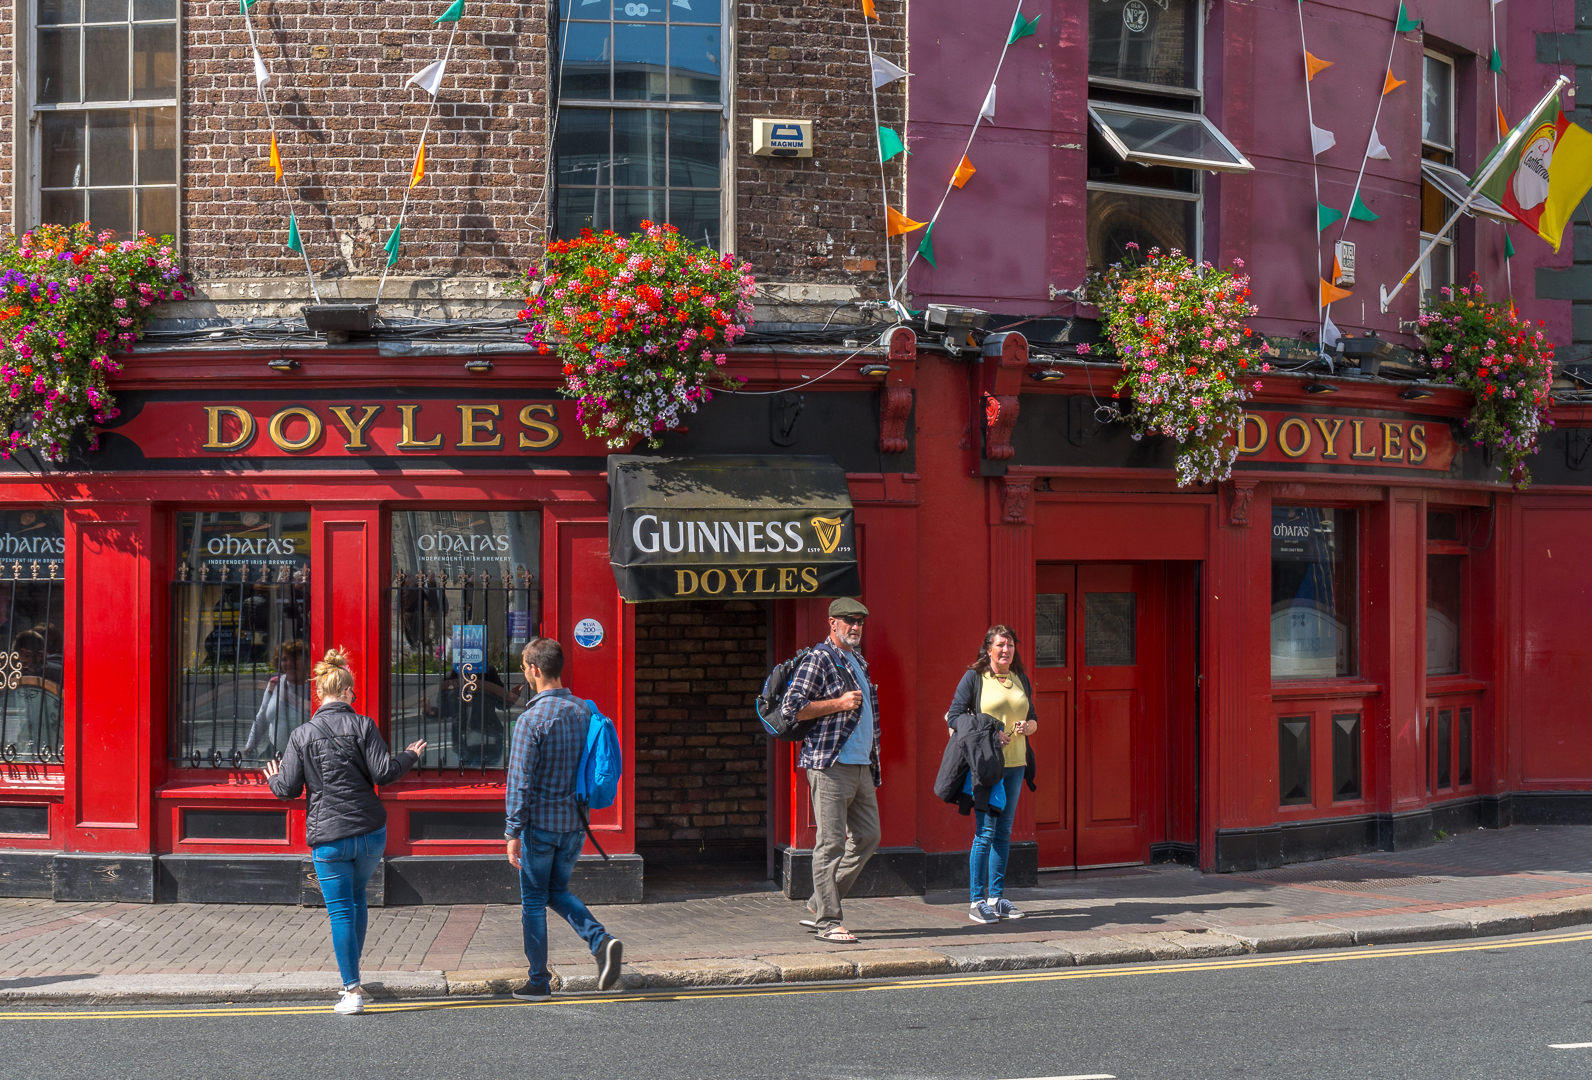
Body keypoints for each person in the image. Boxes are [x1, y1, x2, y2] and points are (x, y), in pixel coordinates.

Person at [264, 648, 425, 1015]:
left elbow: (287, 789)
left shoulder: (301, 735)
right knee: (358, 899)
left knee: (340, 911)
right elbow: (384, 773)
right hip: (370, 834)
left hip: (329, 838)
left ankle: (351, 991)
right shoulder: (364, 725)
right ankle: (353, 970)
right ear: (350, 692)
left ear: (319, 693)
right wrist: (409, 756)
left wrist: (272, 777)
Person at [504, 637, 623, 1000]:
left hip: (540, 828)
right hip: (576, 826)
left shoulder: (531, 720)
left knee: (534, 902)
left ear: (535, 670)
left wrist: (512, 830)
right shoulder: (584, 711)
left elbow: (519, 782)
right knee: (556, 891)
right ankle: (601, 942)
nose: (524, 672)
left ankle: (538, 982)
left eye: (524, 666)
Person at [780, 597, 881, 943]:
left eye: (860, 622)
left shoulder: (859, 662)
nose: (855, 627)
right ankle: (828, 921)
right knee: (831, 844)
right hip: (830, 764)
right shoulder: (819, 659)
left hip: (861, 766)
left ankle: (818, 900)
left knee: (869, 837)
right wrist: (838, 704)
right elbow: (792, 708)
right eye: (848, 621)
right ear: (832, 623)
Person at [945, 624, 1039, 924]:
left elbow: (1033, 717)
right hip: (987, 766)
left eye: (1010, 644)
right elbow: (955, 716)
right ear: (988, 648)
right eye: (1000, 644)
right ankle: (976, 900)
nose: (1005, 650)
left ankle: (997, 898)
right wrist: (990, 733)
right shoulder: (974, 678)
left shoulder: (1020, 678)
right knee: (985, 832)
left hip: (1016, 765)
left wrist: (1028, 727)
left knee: (1003, 832)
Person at [244, 640, 311, 760]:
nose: (289, 663)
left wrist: (293, 699)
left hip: (306, 758)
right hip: (276, 755)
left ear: (306, 661)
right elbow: (262, 718)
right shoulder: (275, 684)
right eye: (285, 659)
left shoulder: (316, 686)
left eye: (295, 658)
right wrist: (250, 745)